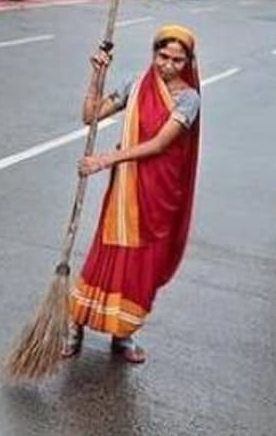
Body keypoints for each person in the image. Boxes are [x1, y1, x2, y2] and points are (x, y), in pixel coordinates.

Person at [63, 25, 203, 364]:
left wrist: (103, 160)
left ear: (188, 62)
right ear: (154, 53)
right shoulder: (136, 85)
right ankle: (75, 327)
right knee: (107, 250)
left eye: (177, 60)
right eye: (162, 56)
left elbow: (159, 145)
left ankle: (122, 334)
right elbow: (90, 115)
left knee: (144, 264)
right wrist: (97, 75)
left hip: (160, 192)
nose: (167, 65)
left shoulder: (189, 99)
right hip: (126, 187)